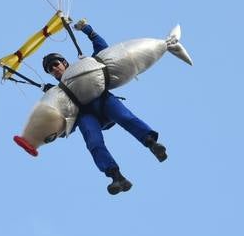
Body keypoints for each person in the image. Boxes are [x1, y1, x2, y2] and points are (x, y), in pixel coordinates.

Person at [42, 19, 167, 195]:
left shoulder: (82, 66)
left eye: (55, 64)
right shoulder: (56, 92)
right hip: (85, 115)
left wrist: (88, 31)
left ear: (64, 62)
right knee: (93, 143)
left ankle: (151, 143)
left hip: (102, 101)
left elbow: (104, 53)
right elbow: (60, 121)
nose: (54, 69)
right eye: (50, 69)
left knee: (125, 117)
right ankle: (116, 177)